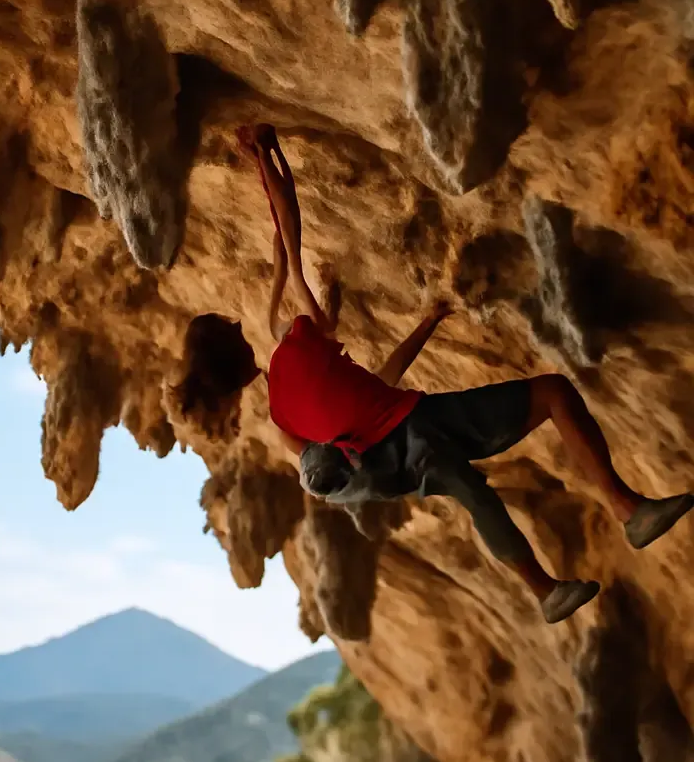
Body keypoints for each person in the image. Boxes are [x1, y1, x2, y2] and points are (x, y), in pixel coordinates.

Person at [227, 122, 694, 625]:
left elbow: (373, 395)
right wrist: (267, 153)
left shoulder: (283, 417)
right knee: (553, 394)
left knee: (470, 490)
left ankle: (546, 591)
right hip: (420, 427)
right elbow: (289, 241)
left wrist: (428, 322)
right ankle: (627, 509)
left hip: (386, 474)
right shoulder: (301, 338)